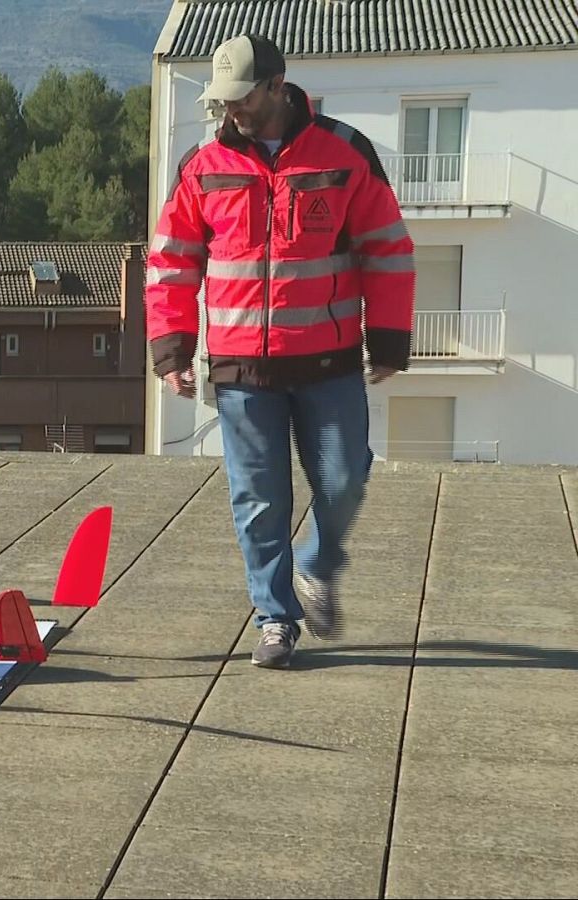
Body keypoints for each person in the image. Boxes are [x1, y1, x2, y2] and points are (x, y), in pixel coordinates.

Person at [145, 33, 415, 668]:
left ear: (277, 85)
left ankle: (316, 565)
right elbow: (172, 265)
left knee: (347, 478)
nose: (231, 111)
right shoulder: (201, 164)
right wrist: (171, 351)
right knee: (259, 498)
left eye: (242, 98)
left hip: (331, 362)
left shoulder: (346, 152)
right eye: (224, 101)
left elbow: (388, 249)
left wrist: (392, 340)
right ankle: (274, 619)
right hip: (242, 369)